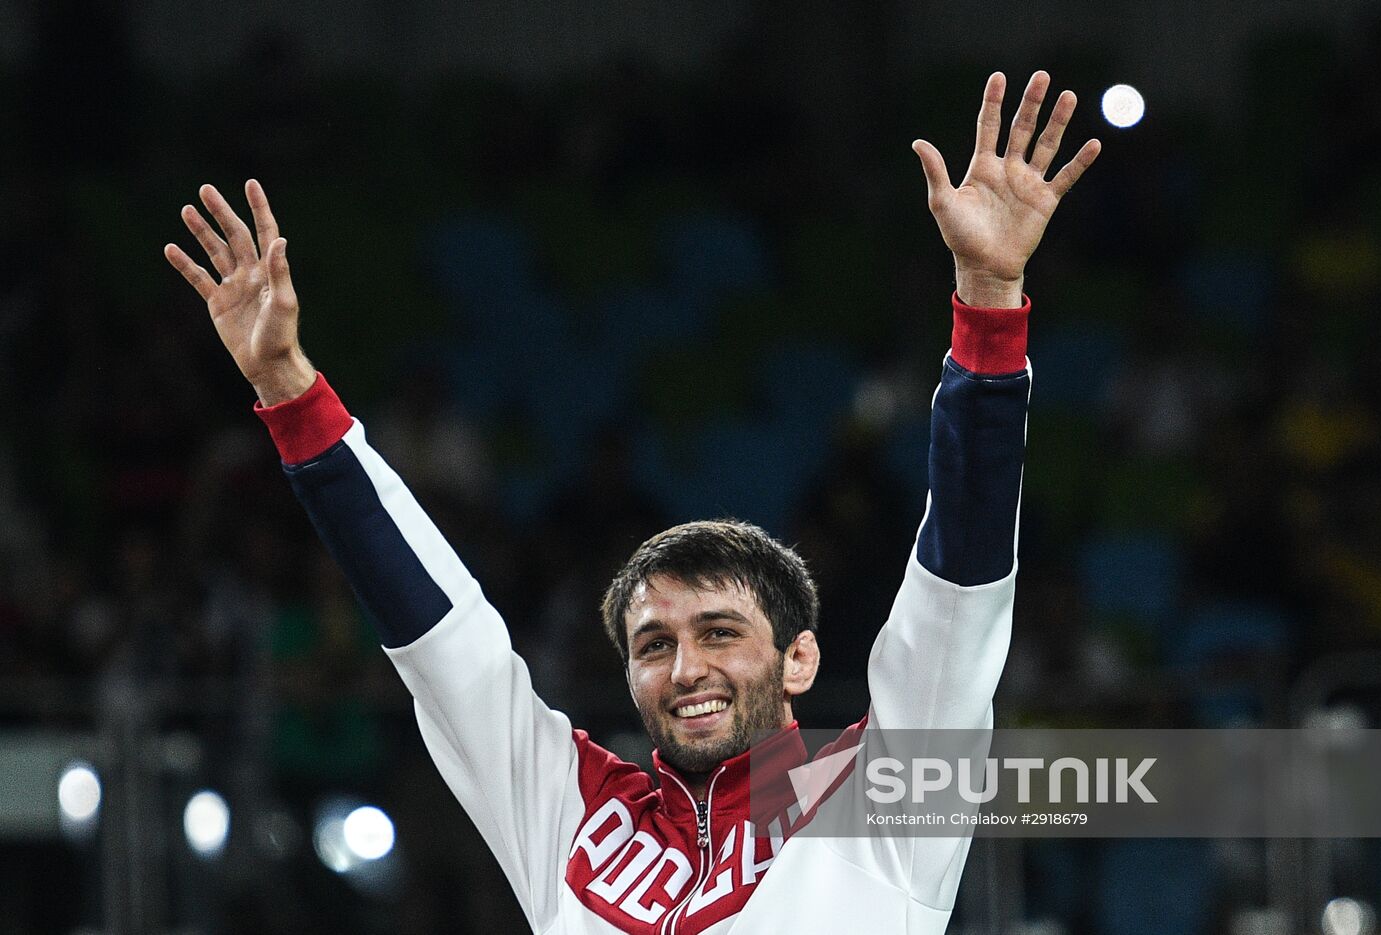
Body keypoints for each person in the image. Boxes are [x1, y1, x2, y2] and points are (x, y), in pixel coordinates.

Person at [165, 70, 1099, 935]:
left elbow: (959, 589)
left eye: (721, 631)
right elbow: (443, 641)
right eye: (655, 643)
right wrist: (290, 389)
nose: (686, 665)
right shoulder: (569, 813)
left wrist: (987, 299)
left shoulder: (884, 797)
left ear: (801, 656)